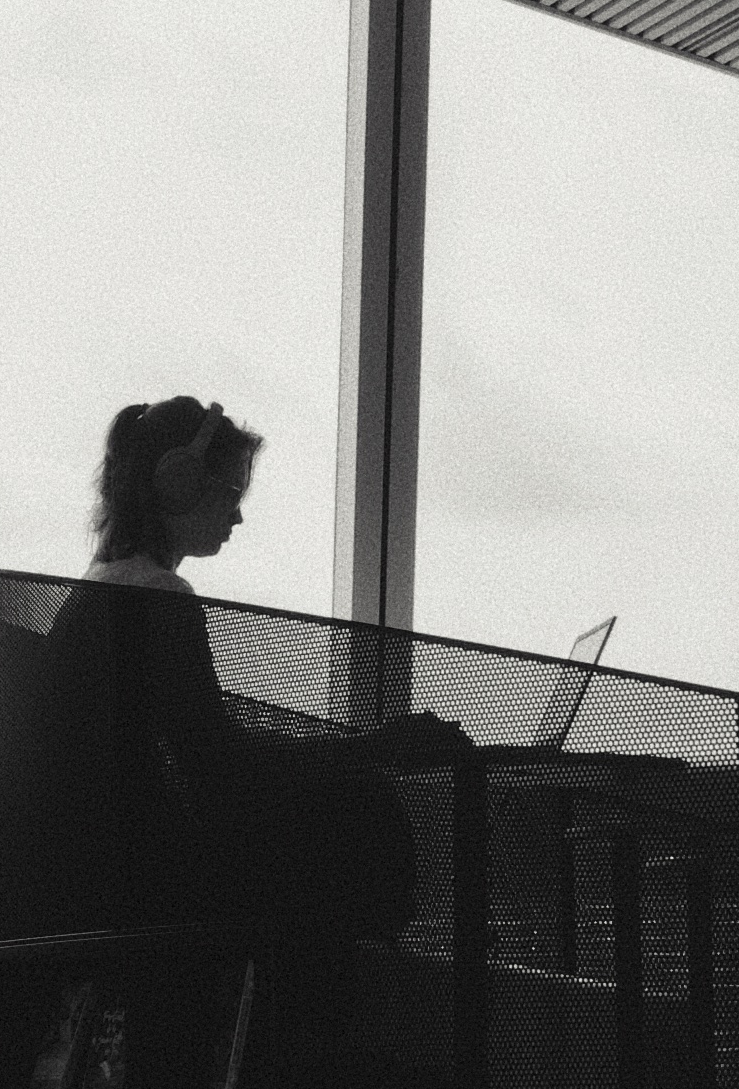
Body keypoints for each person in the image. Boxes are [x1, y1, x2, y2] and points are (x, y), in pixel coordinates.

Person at [42, 395, 470, 1024]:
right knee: (360, 817)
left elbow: (200, 741)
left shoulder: (99, 592)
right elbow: (217, 767)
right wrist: (369, 749)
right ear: (178, 485)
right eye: (229, 491)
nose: (238, 515)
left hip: (112, 871)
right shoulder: (158, 600)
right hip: (160, 881)